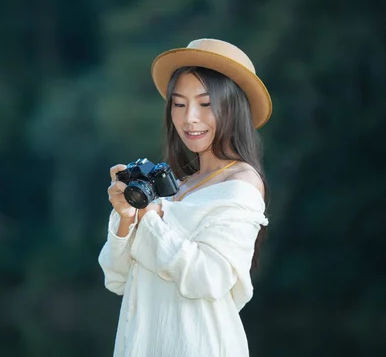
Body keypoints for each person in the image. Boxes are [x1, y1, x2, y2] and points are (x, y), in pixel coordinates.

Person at [97, 38, 272, 357]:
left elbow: (209, 278)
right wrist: (126, 215)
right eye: (179, 104)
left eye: (205, 104)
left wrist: (148, 216)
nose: (189, 117)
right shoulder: (178, 186)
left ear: (233, 106)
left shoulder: (241, 183)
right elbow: (117, 278)